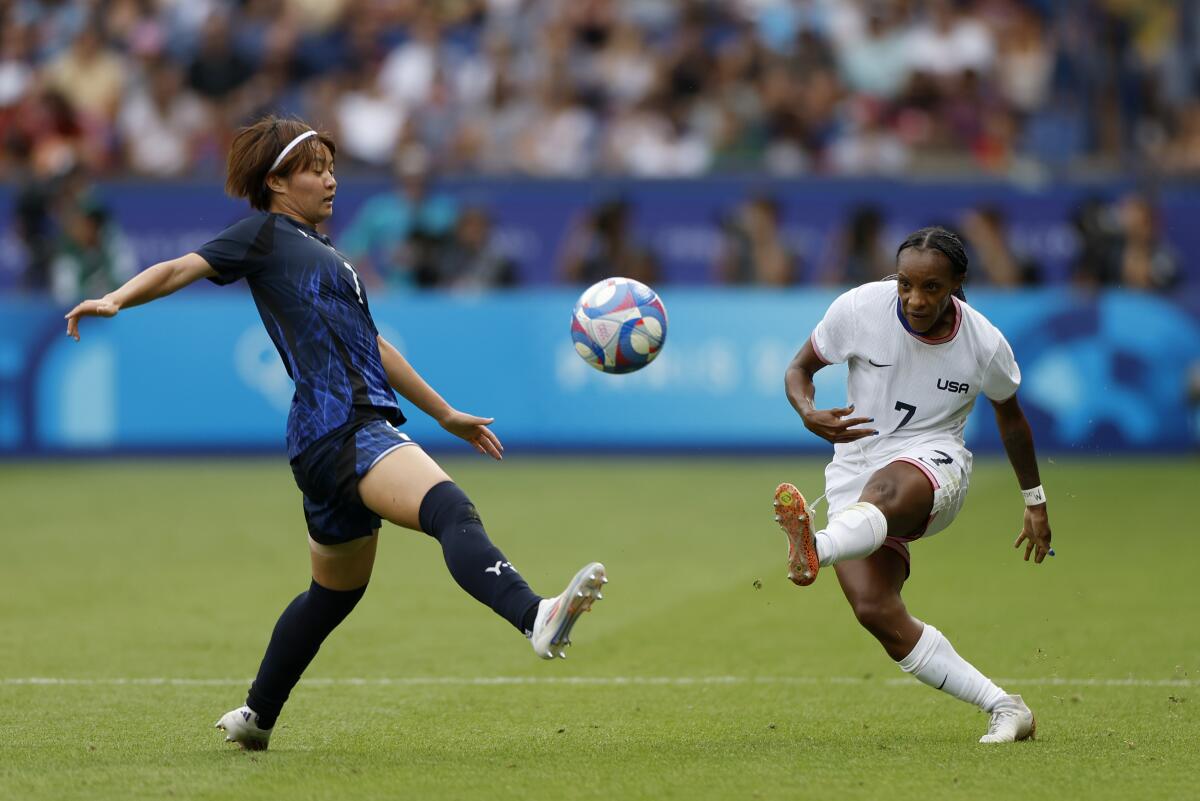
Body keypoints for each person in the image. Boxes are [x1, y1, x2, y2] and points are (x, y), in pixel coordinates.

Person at [63, 116, 607, 751]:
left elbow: (375, 348)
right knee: (449, 509)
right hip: (344, 426)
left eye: (330, 166)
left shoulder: (326, 256)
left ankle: (256, 716)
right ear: (276, 182)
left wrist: (444, 412)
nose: (330, 179)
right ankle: (534, 614)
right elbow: (180, 267)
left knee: (332, 594)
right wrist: (116, 298)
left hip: (322, 442)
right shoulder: (262, 234)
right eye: (315, 169)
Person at [774, 226, 1052, 744]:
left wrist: (1034, 502)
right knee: (875, 610)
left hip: (935, 462)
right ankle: (1006, 708)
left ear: (956, 285)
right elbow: (800, 369)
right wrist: (809, 412)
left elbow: (1011, 419)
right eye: (905, 284)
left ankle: (816, 546)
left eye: (930, 288)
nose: (914, 299)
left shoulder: (984, 342)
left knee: (882, 492)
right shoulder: (859, 308)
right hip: (855, 463)